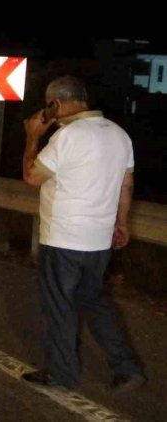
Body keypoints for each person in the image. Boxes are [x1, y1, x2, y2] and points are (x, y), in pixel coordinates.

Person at [20, 75, 145, 394]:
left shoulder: (67, 137)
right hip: (99, 240)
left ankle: (61, 374)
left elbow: (32, 176)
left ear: (56, 104)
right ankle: (127, 368)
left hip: (63, 238)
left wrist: (33, 137)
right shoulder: (120, 135)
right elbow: (125, 185)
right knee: (96, 301)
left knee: (59, 305)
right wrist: (121, 223)